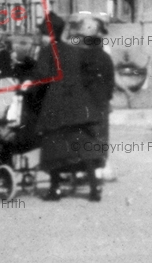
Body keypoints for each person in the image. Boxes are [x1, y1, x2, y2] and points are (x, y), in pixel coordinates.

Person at [27, 11, 114, 202]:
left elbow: (41, 77)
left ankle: (55, 189)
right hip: (80, 104)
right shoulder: (74, 50)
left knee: (55, 146)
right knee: (85, 147)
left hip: (57, 104)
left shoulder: (48, 51)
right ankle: (94, 188)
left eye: (41, 33)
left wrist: (28, 87)